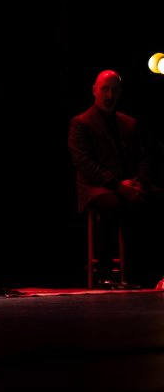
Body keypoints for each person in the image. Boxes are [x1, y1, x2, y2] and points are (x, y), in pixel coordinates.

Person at [68, 69, 162, 287]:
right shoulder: (81, 122)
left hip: (127, 184)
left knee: (157, 198)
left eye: (115, 90)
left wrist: (138, 181)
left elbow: (143, 157)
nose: (110, 95)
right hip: (96, 187)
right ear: (94, 90)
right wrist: (119, 186)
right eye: (105, 89)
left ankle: (147, 269)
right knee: (113, 205)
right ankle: (104, 271)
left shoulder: (128, 123)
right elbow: (85, 164)